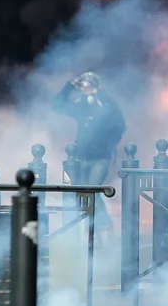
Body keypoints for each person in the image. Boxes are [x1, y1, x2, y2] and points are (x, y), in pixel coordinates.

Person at [52, 72, 127, 241]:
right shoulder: (82, 104)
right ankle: (95, 228)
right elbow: (57, 105)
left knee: (91, 189)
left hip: (101, 156)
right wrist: (69, 86)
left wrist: (107, 144)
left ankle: (102, 225)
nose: (84, 88)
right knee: (81, 192)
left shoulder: (105, 103)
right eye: (83, 85)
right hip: (82, 155)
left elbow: (120, 126)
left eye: (88, 84)